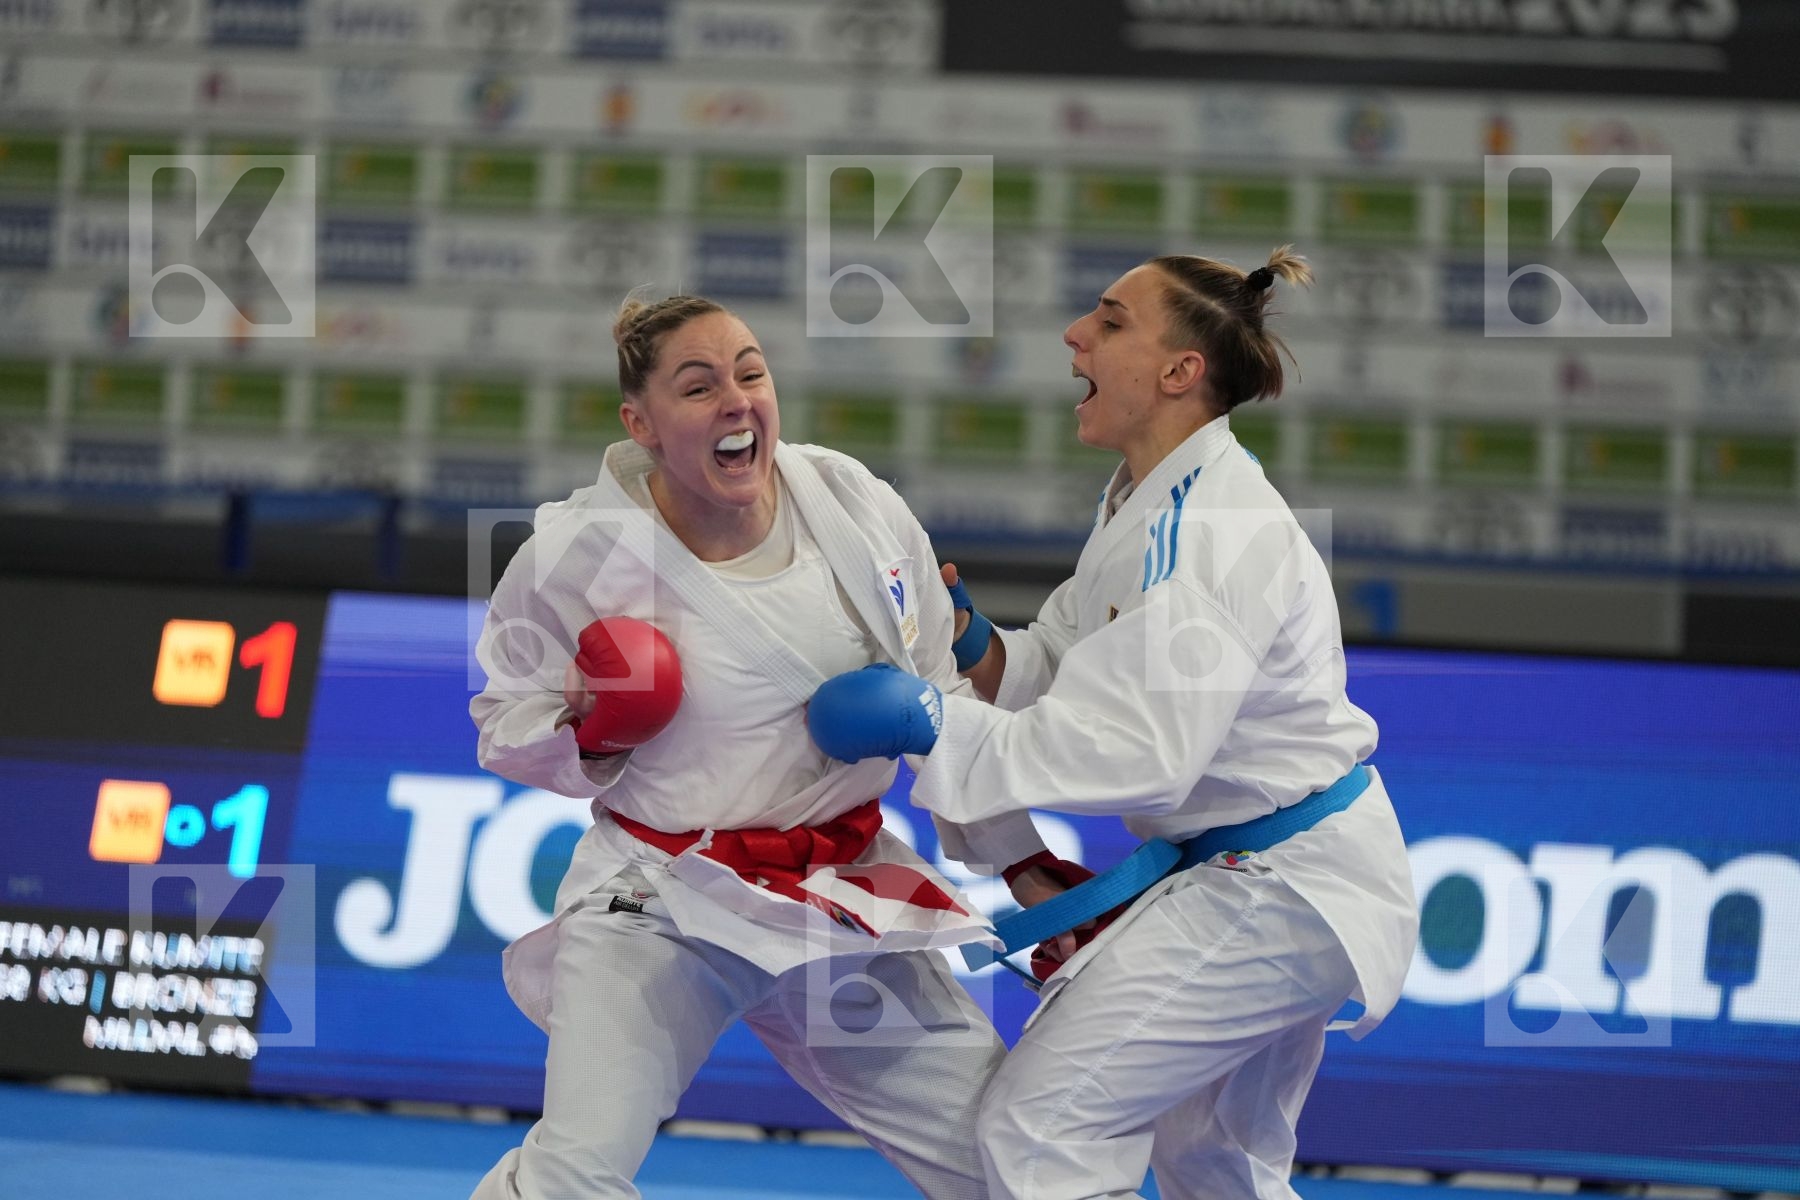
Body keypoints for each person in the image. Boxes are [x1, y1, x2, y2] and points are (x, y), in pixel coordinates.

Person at [805, 249, 1421, 1200]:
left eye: (1110, 320)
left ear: (1181, 372)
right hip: (1261, 873)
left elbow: (1141, 754)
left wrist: (933, 724)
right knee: (1215, 1162)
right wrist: (972, 645)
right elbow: (1061, 667)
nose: (1074, 335)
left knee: (1043, 1124)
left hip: (1280, 885)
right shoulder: (1147, 499)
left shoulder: (1209, 530)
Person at [467, 294, 1052, 1200]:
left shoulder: (852, 502)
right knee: (575, 1174)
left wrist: (1021, 863)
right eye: (698, 387)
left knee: (1008, 1159)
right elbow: (503, 723)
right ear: (642, 423)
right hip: (663, 898)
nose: (737, 400)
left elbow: (945, 701)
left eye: (751, 373)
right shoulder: (572, 557)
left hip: (836, 887)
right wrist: (589, 731)